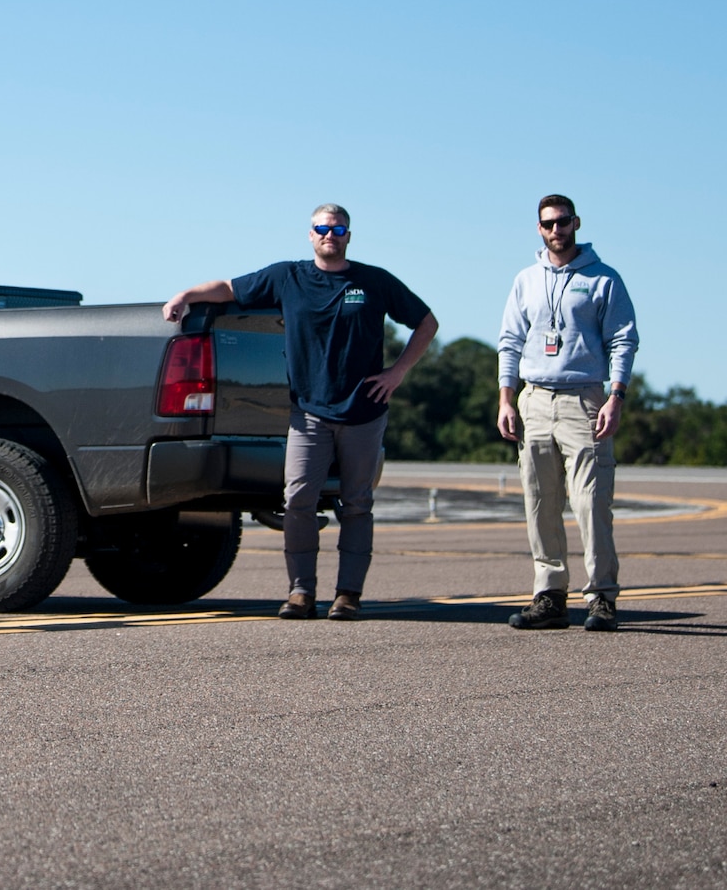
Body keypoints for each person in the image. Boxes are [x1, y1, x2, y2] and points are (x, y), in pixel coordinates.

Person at [163, 205, 437, 620]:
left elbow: (426, 322)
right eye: (322, 229)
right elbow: (228, 288)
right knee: (298, 500)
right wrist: (186, 296)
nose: (330, 234)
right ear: (310, 235)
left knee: (357, 503)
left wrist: (396, 373)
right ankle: (300, 592)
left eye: (338, 228)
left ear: (348, 235)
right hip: (308, 413)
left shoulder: (373, 281)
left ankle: (348, 595)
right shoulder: (286, 277)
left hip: (364, 412)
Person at [497, 194, 638, 633]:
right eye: (548, 224)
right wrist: (506, 398)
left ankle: (601, 599)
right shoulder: (526, 280)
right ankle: (550, 595)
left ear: (576, 223)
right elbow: (509, 341)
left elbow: (623, 340)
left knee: (591, 502)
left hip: (584, 400)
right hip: (535, 399)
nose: (556, 230)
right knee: (540, 501)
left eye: (562, 222)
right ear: (539, 229)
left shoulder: (603, 279)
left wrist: (616, 396)